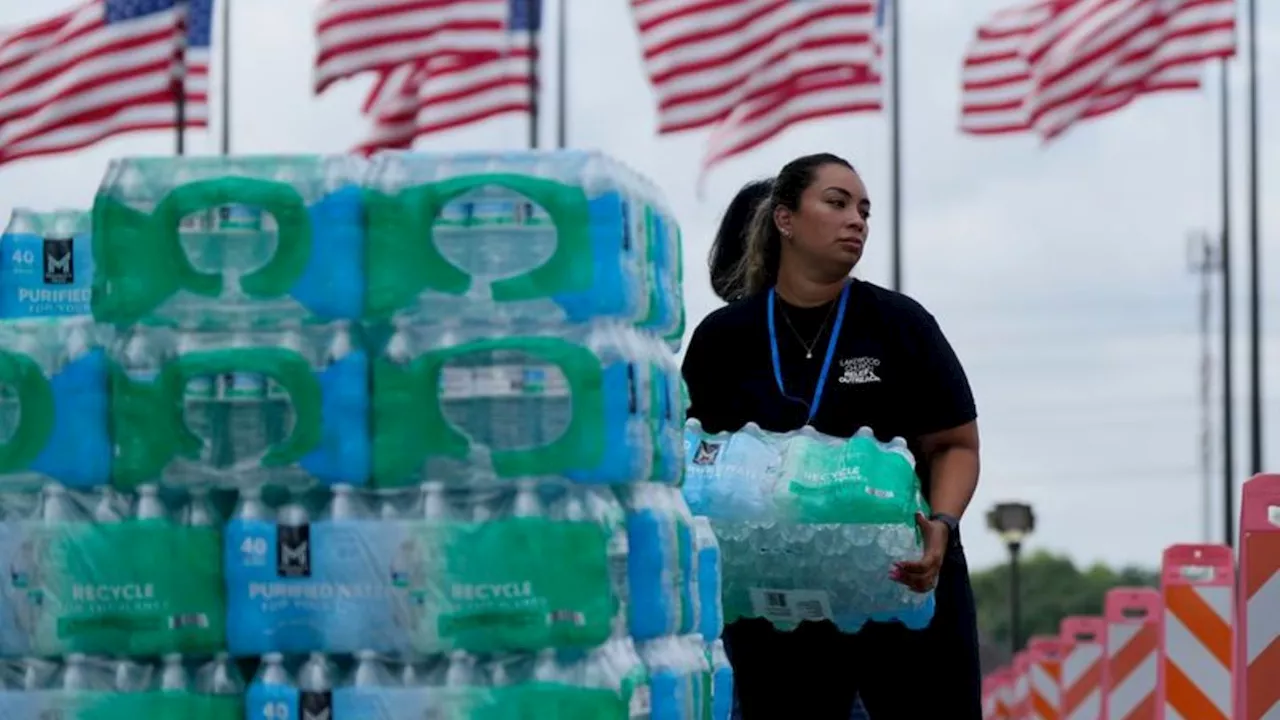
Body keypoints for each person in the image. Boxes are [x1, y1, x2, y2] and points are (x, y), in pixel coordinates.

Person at [683, 153, 983, 719]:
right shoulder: (723, 339)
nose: (857, 221)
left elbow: (955, 445)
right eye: (838, 203)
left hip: (901, 588)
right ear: (785, 220)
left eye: (865, 211)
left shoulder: (900, 324)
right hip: (777, 607)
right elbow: (694, 460)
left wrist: (942, 525)